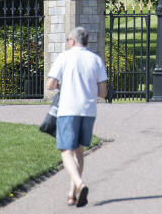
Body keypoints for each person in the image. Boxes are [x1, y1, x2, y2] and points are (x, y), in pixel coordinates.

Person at [46, 26, 108, 208]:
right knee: (80, 151)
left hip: (68, 109)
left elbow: (50, 84)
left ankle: (80, 184)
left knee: (66, 151)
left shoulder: (64, 57)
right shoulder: (95, 60)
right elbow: (103, 92)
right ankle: (72, 193)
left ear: (72, 41)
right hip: (88, 110)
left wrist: (62, 85)